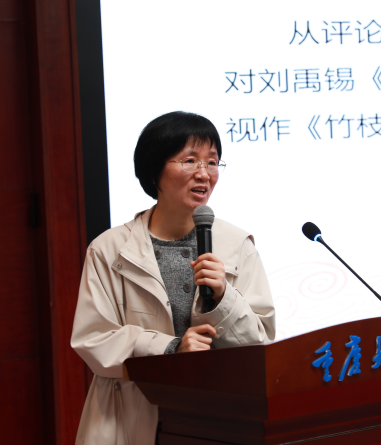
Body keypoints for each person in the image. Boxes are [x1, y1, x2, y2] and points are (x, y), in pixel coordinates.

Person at [71, 111, 276, 444]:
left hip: (217, 420)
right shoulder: (110, 249)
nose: (204, 173)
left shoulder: (237, 245)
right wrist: (170, 348)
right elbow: (93, 339)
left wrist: (224, 298)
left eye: (212, 162)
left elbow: (260, 343)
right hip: (134, 417)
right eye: (190, 160)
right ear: (154, 170)